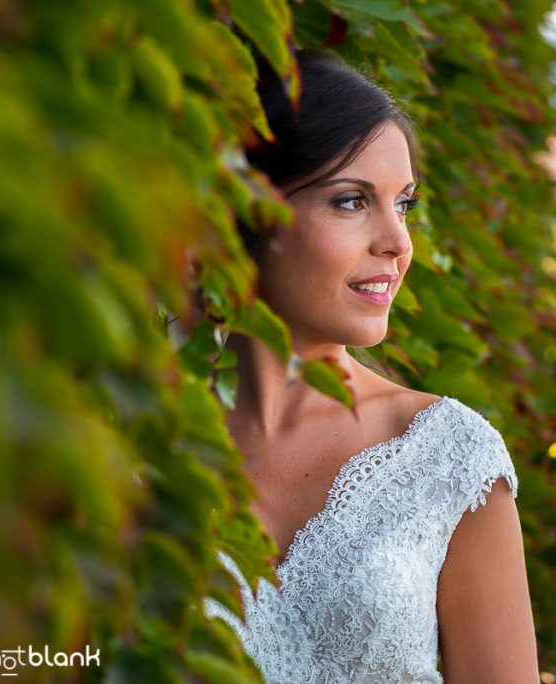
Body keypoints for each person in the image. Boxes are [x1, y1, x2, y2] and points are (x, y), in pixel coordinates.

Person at [200, 50, 538, 682]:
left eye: (403, 203)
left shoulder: (450, 458)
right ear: (249, 213)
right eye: (352, 201)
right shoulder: (138, 447)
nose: (398, 241)